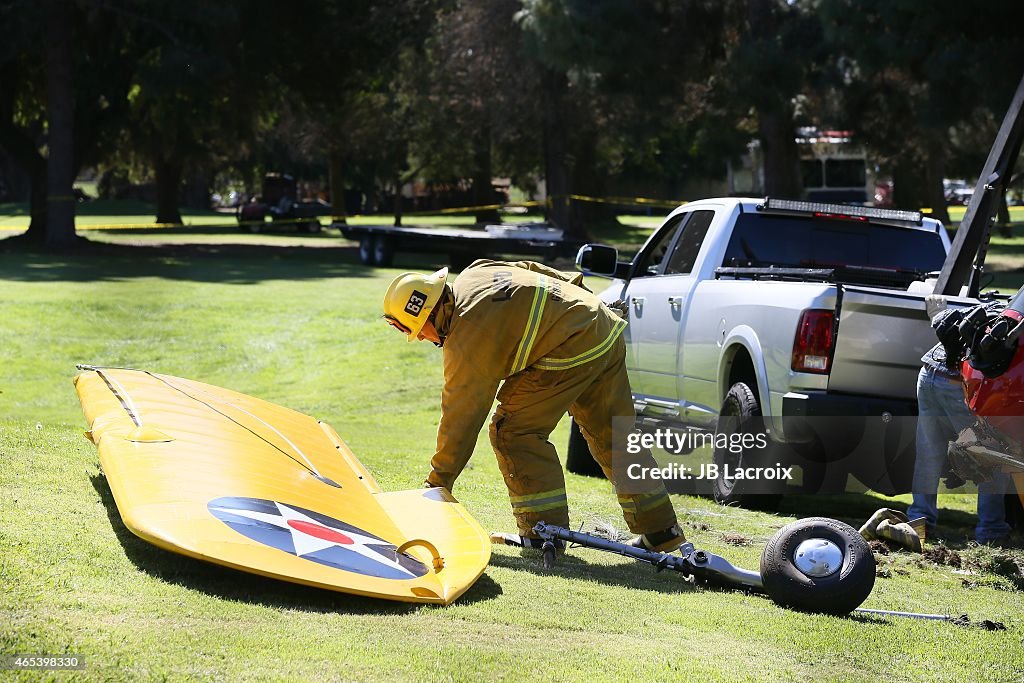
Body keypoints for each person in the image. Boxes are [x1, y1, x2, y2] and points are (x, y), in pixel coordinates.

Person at [382, 259, 685, 552]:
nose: (421, 338)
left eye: (418, 329)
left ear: (431, 315)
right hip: (601, 325)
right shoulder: (476, 272)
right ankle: (662, 530)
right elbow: (544, 273)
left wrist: (437, 483)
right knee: (615, 437)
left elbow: (461, 418)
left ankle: (543, 532)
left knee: (513, 432)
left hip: (572, 344)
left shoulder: (466, 338)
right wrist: (590, 308)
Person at [906, 299, 1012, 545]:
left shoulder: (1003, 306)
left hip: (929, 371)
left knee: (929, 452)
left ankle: (918, 521)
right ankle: (992, 532)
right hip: (957, 383)